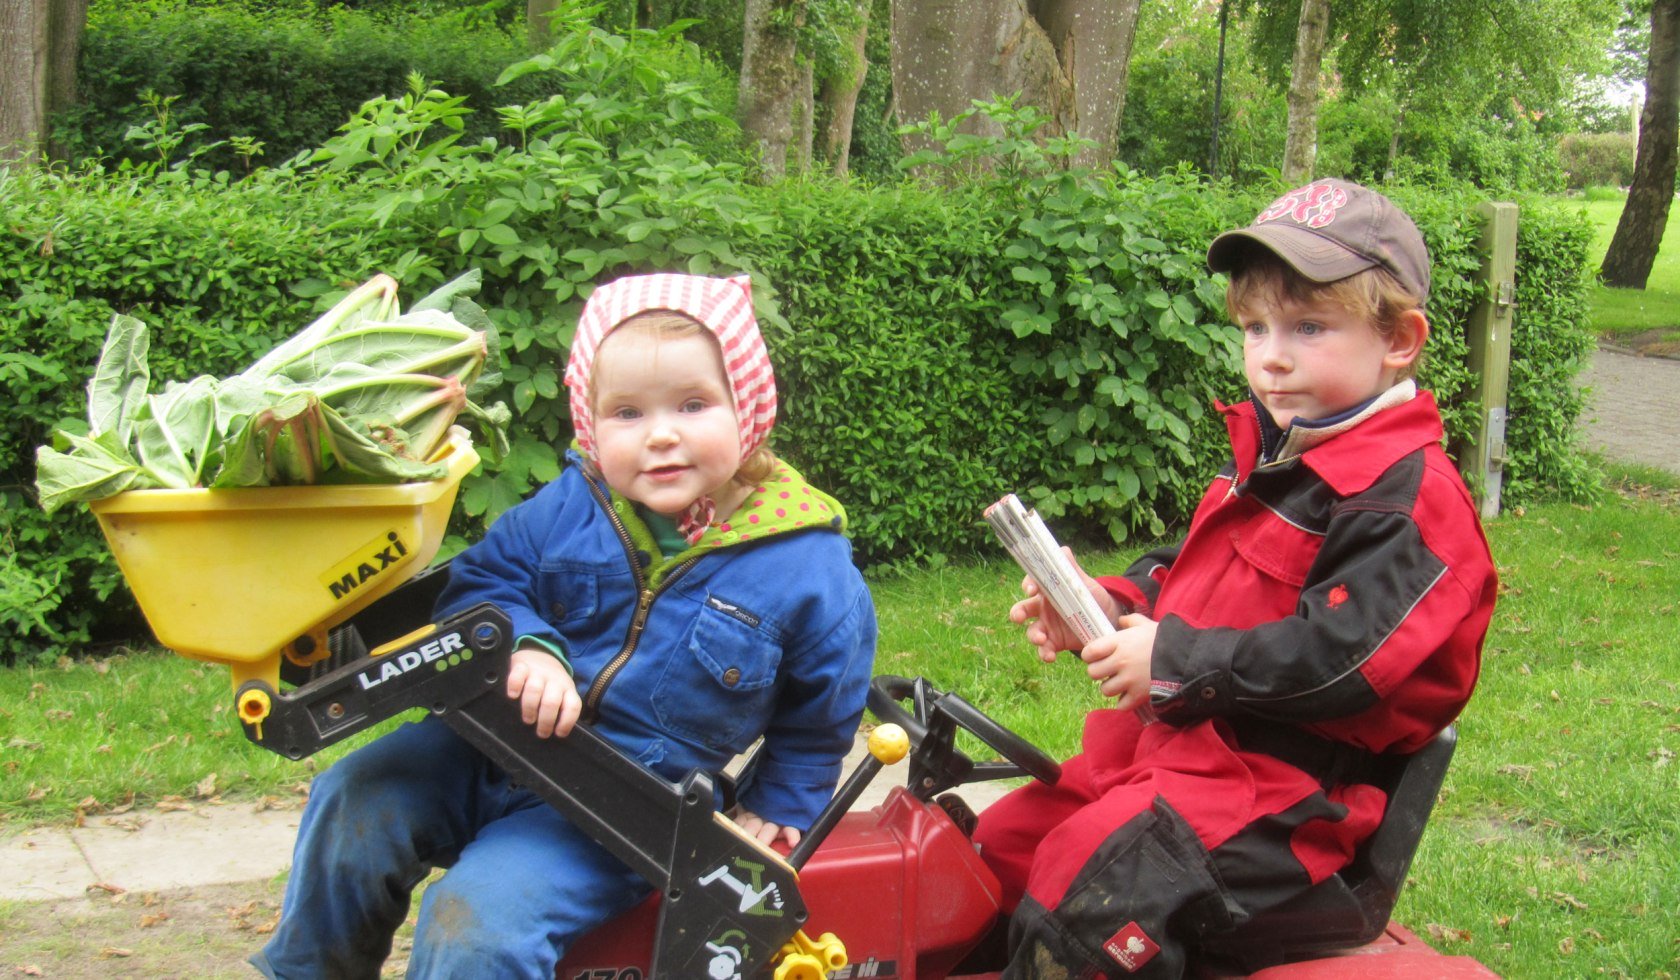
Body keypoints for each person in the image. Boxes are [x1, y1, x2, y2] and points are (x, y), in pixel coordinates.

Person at [253, 272, 877, 979]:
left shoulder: (806, 566)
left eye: (694, 404)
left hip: (616, 810)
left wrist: (780, 801)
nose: (661, 435)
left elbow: (821, 709)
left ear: (750, 407)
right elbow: (483, 582)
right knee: (355, 799)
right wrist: (527, 643)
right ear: (590, 419)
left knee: (476, 923)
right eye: (627, 414)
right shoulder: (572, 506)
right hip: (488, 745)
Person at [971, 178, 1498, 977]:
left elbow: (1341, 657)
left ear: (1400, 339)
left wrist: (1175, 663)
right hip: (1173, 757)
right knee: (996, 848)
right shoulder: (1276, 455)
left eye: (1308, 326)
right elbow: (1189, 574)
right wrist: (1108, 605)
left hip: (1282, 795)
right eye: (1254, 327)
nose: (1271, 356)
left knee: (1094, 890)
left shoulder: (1405, 501)